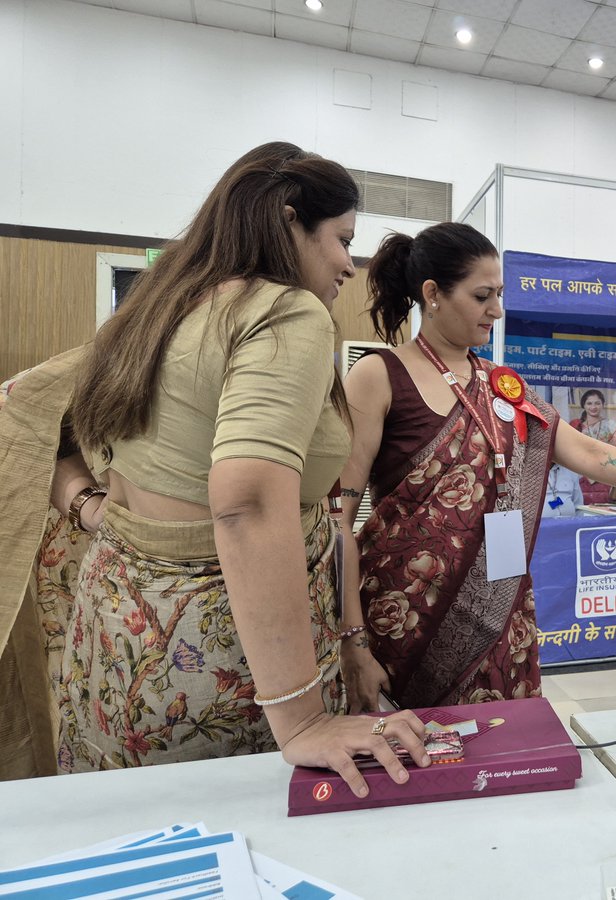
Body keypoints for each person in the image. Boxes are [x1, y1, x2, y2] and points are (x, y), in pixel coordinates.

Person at [2, 142, 431, 794]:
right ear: (289, 221)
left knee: (134, 830)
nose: (349, 263)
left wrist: (90, 506)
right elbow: (249, 501)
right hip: (216, 656)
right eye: (342, 240)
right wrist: (303, 719)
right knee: (233, 832)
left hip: (112, 635)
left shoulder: (152, 312)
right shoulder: (284, 311)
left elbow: (29, 412)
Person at [334, 223, 616, 713]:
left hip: (498, 617)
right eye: (482, 296)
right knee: (408, 747)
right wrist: (353, 643)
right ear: (432, 294)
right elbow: (337, 520)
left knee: (502, 741)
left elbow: (587, 452)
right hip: (405, 617)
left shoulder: (503, 385)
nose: (497, 310)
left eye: (499, 295)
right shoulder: (378, 375)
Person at [572, 389, 616, 504]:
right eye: (589, 403)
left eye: (597, 403)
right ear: (583, 405)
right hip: (580, 472)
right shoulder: (576, 426)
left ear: (603, 404)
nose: (593, 407)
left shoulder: (610, 425)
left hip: (605, 473)